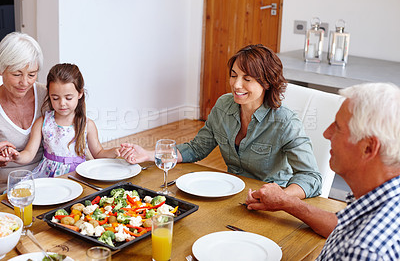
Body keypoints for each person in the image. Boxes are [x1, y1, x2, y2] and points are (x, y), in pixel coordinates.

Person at [120, 44, 322, 199]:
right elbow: (197, 148)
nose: (236, 84)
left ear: (267, 82)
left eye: (247, 79)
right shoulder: (224, 106)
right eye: (233, 76)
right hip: (230, 194)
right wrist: (148, 155)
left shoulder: (285, 122)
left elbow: (311, 178)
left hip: (269, 203)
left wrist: (281, 197)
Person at [246, 82, 400, 260]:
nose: (326, 133)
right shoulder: (378, 200)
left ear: (368, 148)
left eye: (338, 127)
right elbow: (341, 226)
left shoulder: (365, 250)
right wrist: (285, 201)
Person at [2, 63, 134, 177]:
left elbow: (99, 153)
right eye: (55, 98)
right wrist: (17, 156)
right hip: (49, 177)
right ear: (48, 94)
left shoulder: (87, 125)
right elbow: (29, 154)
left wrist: (115, 151)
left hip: (79, 174)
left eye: (68, 98)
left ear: (80, 94)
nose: (62, 103)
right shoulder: (42, 122)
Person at [0, 32, 46, 193]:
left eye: (32, 75)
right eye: (16, 74)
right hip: (7, 188)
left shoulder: (48, 96)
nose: (24, 82)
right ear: (1, 70)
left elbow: (76, 133)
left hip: (48, 182)